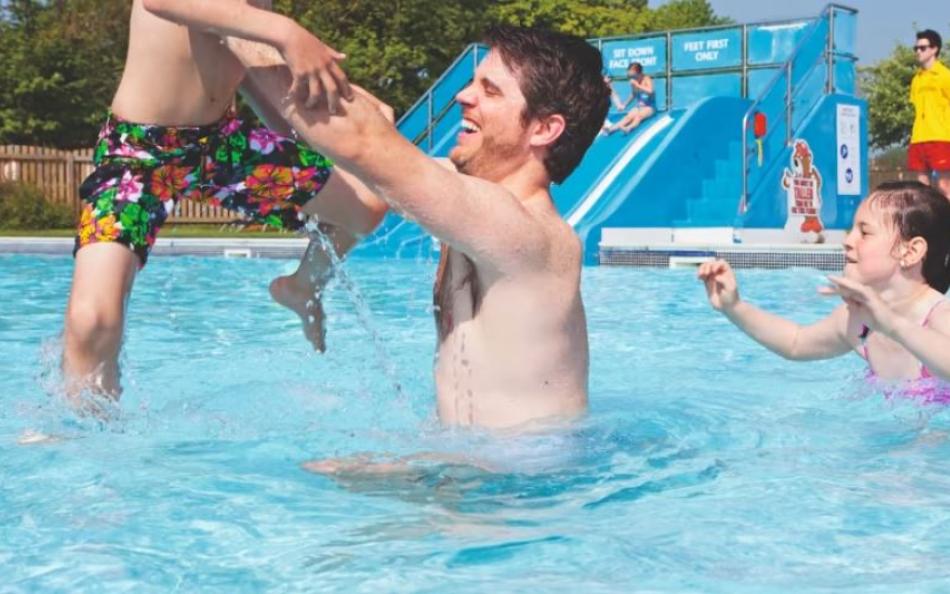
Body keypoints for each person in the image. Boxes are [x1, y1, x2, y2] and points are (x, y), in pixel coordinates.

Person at [226, 24, 611, 432]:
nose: (463, 96)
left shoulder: (528, 232)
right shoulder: (475, 203)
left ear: (544, 129)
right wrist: (241, 51)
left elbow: (364, 143)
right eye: (472, 84)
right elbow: (347, 160)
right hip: (475, 471)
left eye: (490, 91)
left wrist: (231, 22)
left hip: (521, 483)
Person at [63, 0, 389, 400]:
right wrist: (287, 32)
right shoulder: (270, 21)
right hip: (138, 153)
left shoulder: (257, 8)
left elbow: (260, 83)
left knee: (368, 203)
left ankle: (304, 285)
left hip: (220, 146)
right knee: (92, 320)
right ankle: (82, 432)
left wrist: (342, 132)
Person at [698, 182, 950, 399]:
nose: (848, 240)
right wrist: (735, 307)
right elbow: (796, 342)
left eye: (865, 232)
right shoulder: (858, 321)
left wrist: (893, 325)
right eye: (852, 230)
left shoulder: (939, 315)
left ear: (910, 252)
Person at [908, 29, 950, 197]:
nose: (918, 51)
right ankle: (926, 223)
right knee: (921, 188)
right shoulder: (916, 79)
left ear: (934, 49)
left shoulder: (945, 76)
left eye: (922, 48)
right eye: (916, 48)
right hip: (919, 138)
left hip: (941, 137)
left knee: (943, 185)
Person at [602, 62, 655, 135]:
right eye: (631, 76)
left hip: (649, 107)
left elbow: (650, 91)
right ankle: (611, 129)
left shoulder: (646, 79)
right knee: (628, 117)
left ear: (638, 73)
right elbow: (633, 94)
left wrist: (637, 85)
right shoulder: (634, 80)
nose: (631, 78)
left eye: (633, 75)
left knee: (638, 117)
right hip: (639, 106)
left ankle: (628, 128)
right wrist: (625, 104)